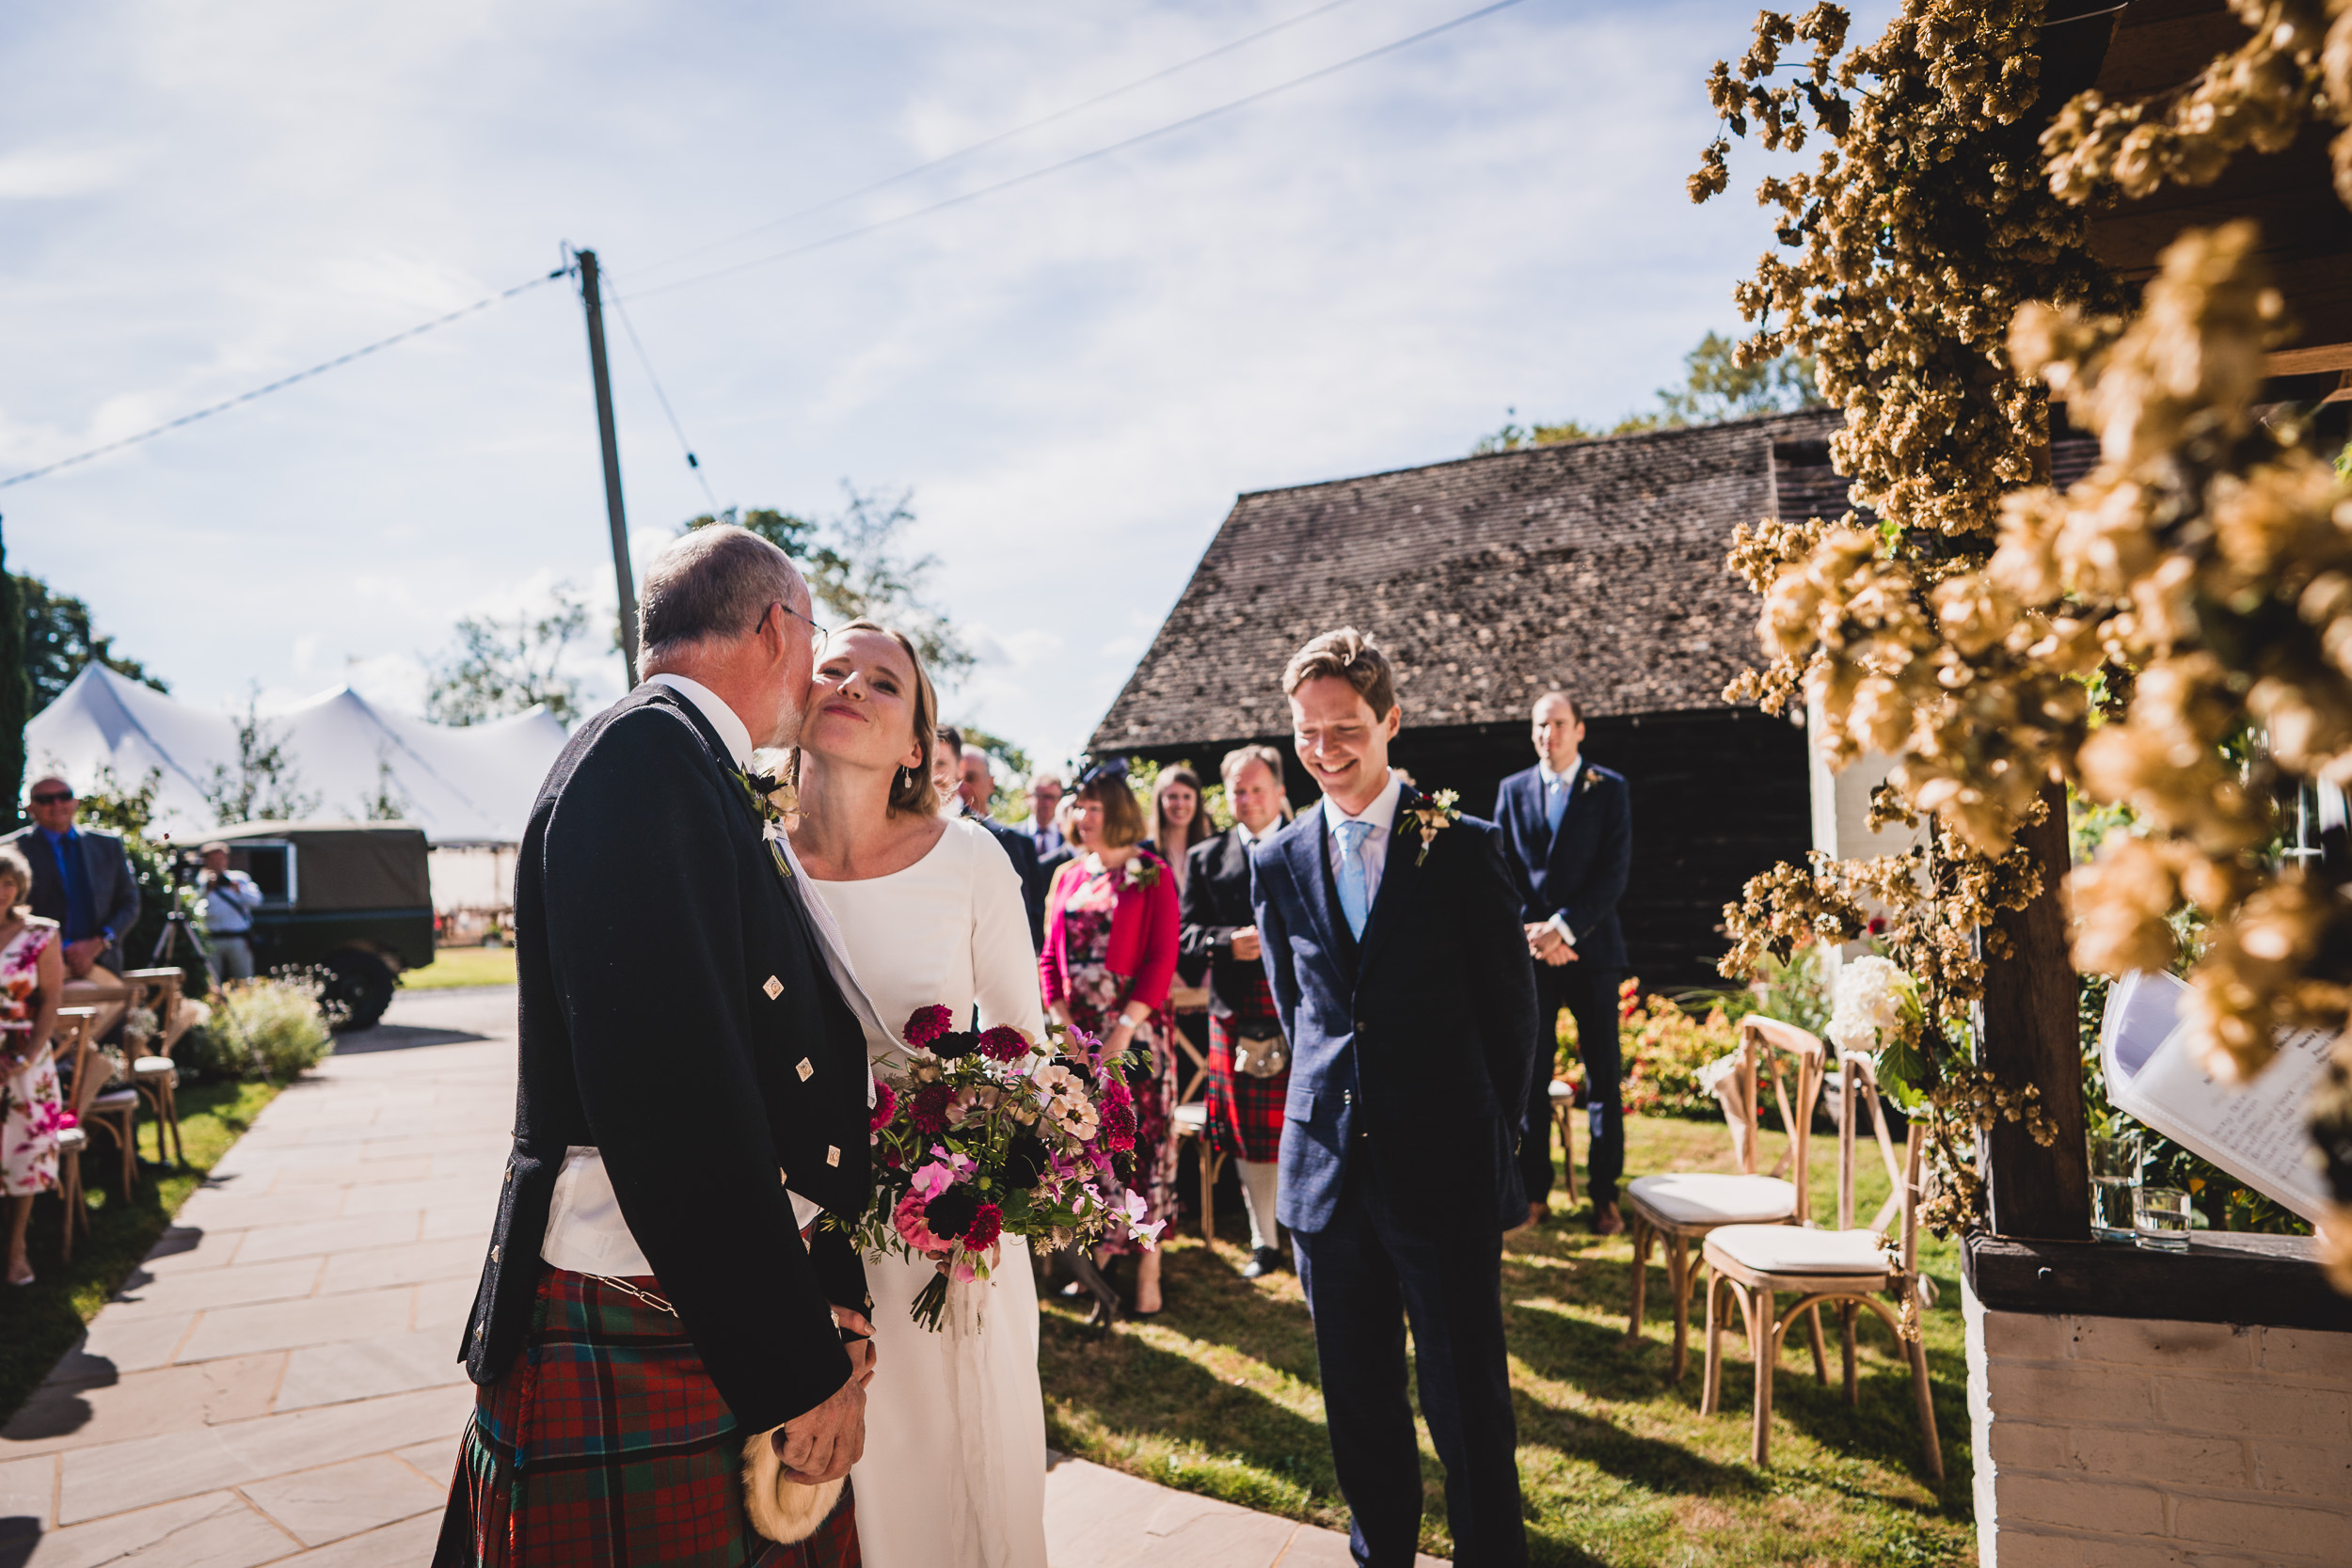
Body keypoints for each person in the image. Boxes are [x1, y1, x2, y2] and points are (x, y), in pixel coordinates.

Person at [437, 525, 876, 1568]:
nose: (814, 671)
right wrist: (795, 1369)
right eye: (812, 636)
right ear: (776, 625)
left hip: (689, 1302)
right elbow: (675, 1108)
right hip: (646, 1302)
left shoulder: (672, 759)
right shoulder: (646, 758)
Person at [1248, 627, 1537, 1568]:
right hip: (1326, 1177)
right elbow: (1304, 1014)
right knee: (1358, 1397)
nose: (1326, 750)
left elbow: (1511, 1017)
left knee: (1466, 1398)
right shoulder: (1279, 857)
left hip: (1445, 1167)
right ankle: (1382, 1553)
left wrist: (1507, 1152)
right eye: (1307, 732)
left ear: (1391, 722)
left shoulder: (1462, 846)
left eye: (1346, 728)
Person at [789, 619, 1050, 1568]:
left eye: (884, 681)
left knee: (960, 1470)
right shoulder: (751, 861)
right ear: (797, 697)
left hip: (945, 1235)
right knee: (838, 1490)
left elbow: (1027, 1048)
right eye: (833, 668)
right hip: (806, 1231)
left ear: (915, 746)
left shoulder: (970, 856)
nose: (852, 683)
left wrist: (986, 1175)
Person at [1040, 761, 1181, 1316]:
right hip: (1079, 1034)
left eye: (1094, 808)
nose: (1082, 816)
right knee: (1087, 1146)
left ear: (1120, 812)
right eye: (1078, 807)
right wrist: (1061, 1024)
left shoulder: (1152, 873)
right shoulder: (1069, 876)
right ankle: (1098, 1254)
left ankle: (1149, 1263)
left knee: (1142, 1145)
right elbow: (1049, 955)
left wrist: (1123, 1029)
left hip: (1136, 1030)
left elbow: (1161, 957)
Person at [1492, 690, 1632, 1236]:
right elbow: (1503, 871)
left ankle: (1604, 1196)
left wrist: (1565, 929)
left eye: (1556, 724)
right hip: (1531, 953)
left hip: (1591, 950)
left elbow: (1613, 873)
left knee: (1604, 1078)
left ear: (1579, 729)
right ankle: (1534, 1193)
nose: (1547, 734)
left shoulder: (1609, 788)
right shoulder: (1512, 790)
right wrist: (1536, 933)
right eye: (1539, 726)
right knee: (1531, 1075)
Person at [1180, 745, 1293, 1278]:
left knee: (1309, 1124)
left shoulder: (1307, 844)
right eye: (1237, 791)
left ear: (1279, 791)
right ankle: (1264, 1240)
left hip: (1302, 1006)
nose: (1246, 800)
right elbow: (1185, 934)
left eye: (1256, 789)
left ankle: (1307, 1228)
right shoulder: (1206, 856)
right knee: (1251, 1132)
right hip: (1237, 1009)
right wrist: (1227, 943)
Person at [0, 847, 66, 1288]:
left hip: (24, 1058)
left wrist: (25, 1057)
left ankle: (16, 1249)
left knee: (22, 1155)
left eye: (7, 882)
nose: (0, 891)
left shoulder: (41, 933)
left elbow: (51, 1002)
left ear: (19, 887)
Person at [5, 777, 139, 982]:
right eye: (46, 799)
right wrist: (56, 947)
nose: (56, 804)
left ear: (75, 802)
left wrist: (100, 942)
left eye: (64, 796)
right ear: (30, 808)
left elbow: (129, 903)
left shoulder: (108, 845)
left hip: (102, 965)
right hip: (32, 970)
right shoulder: (9, 850)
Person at [941, 730, 1044, 951]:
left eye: (971, 778)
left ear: (991, 783)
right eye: (958, 778)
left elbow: (1033, 912)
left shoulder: (1018, 843)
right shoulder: (939, 833)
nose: (962, 786)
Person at [197, 842, 263, 981]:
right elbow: (194, 906)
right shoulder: (201, 882)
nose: (217, 863)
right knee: (211, 981)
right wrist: (207, 889)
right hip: (212, 939)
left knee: (245, 981)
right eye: (213, 860)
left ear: (227, 860)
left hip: (238, 938)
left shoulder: (239, 878)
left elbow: (257, 901)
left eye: (220, 859)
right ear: (206, 861)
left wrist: (239, 890)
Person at [1151, 766, 1214, 900]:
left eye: (1187, 796)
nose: (1180, 804)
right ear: (1160, 801)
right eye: (1172, 797)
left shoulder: (1212, 851)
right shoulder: (1145, 854)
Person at [1025, 771, 1066, 861]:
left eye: (1053, 798)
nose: (1048, 803)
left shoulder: (1068, 837)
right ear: (1028, 797)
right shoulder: (1012, 837)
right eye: (1043, 797)